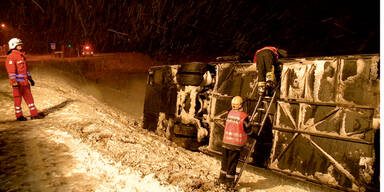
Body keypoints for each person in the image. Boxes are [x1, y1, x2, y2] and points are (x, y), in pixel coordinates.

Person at [5, 38, 43, 121]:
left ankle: (34, 114)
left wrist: (30, 78)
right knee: (18, 99)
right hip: (18, 83)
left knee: (29, 98)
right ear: (14, 45)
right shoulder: (11, 57)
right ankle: (19, 116)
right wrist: (14, 82)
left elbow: (26, 70)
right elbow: (11, 72)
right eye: (19, 45)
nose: (21, 46)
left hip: (25, 82)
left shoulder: (21, 56)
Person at [218, 96, 252, 187]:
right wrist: (255, 136)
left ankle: (221, 179)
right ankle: (229, 183)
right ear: (241, 105)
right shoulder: (243, 116)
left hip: (226, 142)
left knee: (224, 162)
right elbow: (248, 130)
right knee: (232, 163)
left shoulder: (229, 113)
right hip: (235, 144)